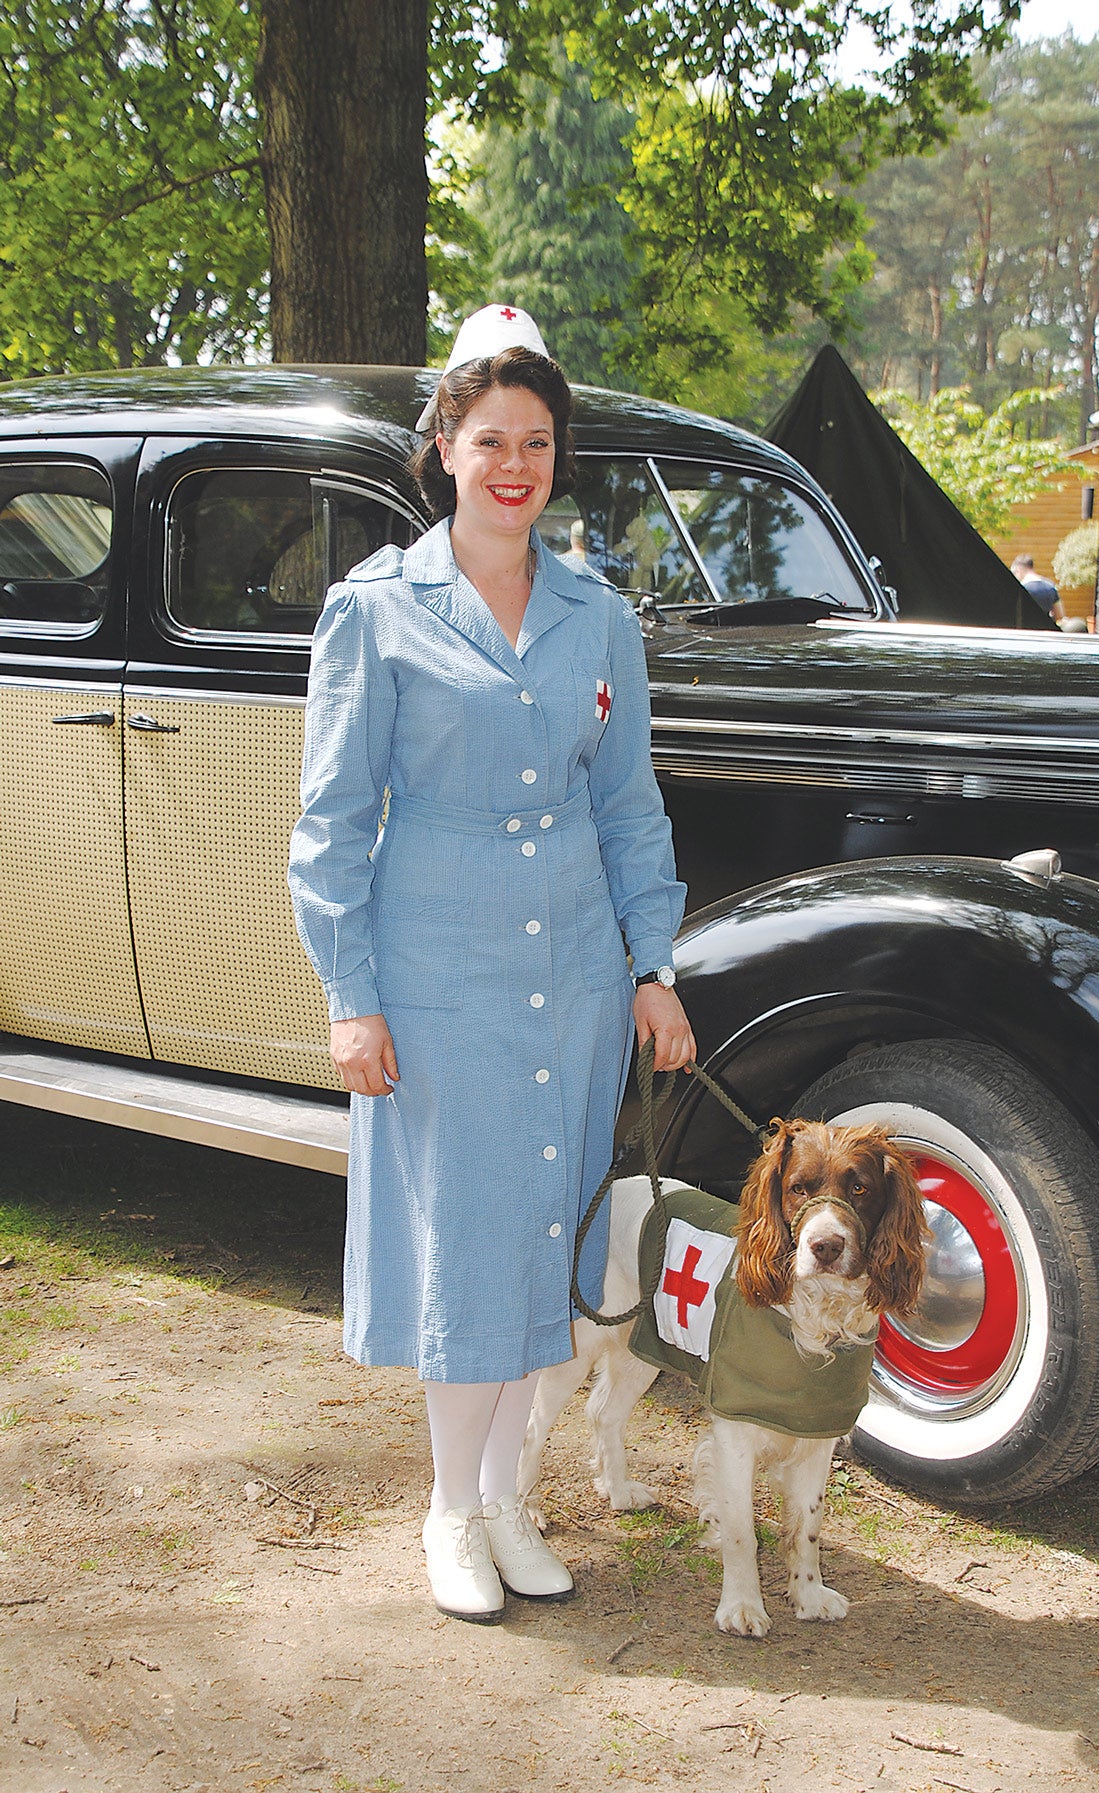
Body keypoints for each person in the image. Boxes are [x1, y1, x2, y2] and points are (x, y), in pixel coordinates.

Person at [287, 304, 695, 1624]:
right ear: (444, 447)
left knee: (541, 1235)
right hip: (436, 963)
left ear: (554, 457)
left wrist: (653, 962)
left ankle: (513, 1498)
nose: (513, 462)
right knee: (465, 1246)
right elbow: (333, 822)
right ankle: (450, 1511)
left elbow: (629, 805)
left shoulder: (597, 616)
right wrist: (351, 995)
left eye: (535, 441)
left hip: (574, 965)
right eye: (487, 438)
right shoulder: (374, 610)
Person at [1010, 552, 1063, 624]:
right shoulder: (1050, 586)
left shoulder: (1021, 589)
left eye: (1015, 572)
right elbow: (1059, 615)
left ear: (1019, 569)